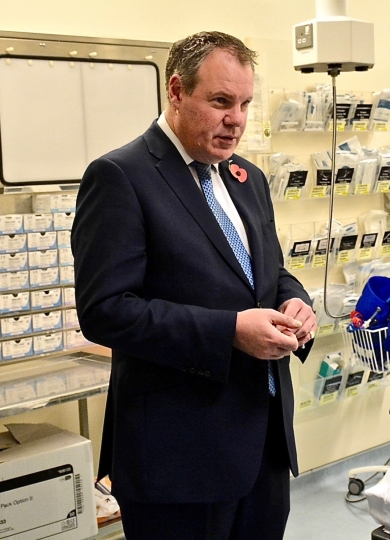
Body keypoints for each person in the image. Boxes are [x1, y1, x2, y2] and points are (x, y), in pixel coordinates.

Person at [71, 31, 317, 540]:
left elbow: (266, 272)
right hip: (179, 456)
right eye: (221, 101)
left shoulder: (245, 176)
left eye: (246, 103)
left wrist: (297, 301)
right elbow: (106, 310)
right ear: (177, 91)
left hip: (263, 443)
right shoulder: (121, 176)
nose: (237, 119)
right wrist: (227, 331)